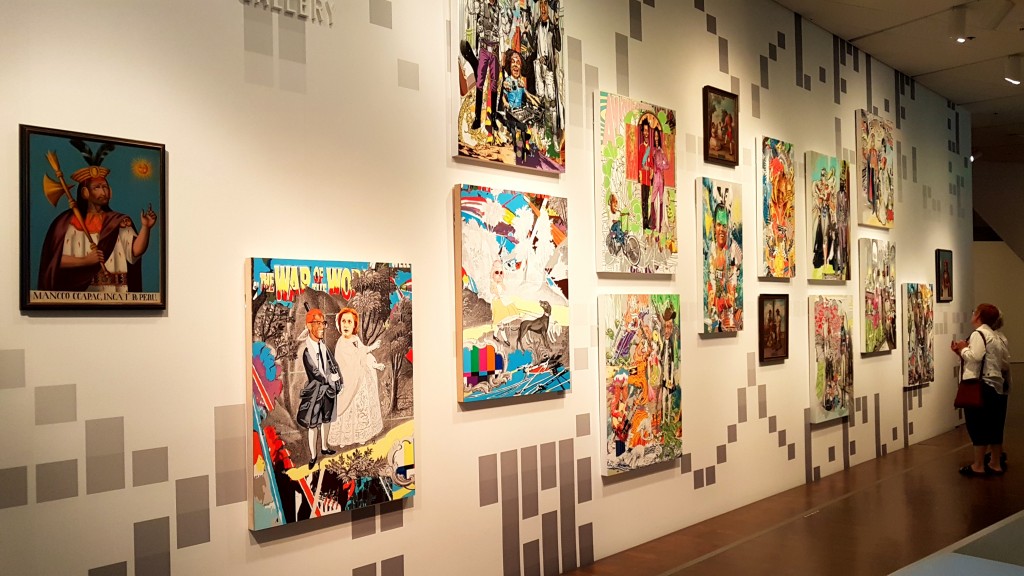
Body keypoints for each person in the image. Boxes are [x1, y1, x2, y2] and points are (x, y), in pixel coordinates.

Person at [37, 144, 158, 293]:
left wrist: (146, 227)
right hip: (79, 294)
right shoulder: (65, 223)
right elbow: (54, 261)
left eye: (105, 187)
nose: (103, 192)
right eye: (97, 187)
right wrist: (84, 261)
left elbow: (135, 251)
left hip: (116, 293)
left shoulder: (118, 221)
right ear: (85, 192)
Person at [951, 303, 1011, 476]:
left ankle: (978, 465)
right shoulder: (995, 336)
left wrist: (962, 349)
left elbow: (975, 356)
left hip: (981, 386)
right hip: (995, 385)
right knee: (995, 427)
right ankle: (995, 463)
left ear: (979, 316)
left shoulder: (979, 333)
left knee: (977, 426)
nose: (972, 314)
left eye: (974, 312)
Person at [328, 308, 385, 448]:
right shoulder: (341, 343)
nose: (346, 325)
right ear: (339, 324)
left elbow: (362, 351)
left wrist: (373, 360)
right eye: (343, 321)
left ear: (354, 325)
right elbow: (349, 362)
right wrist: (367, 350)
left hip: (360, 378)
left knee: (361, 407)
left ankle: (362, 435)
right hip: (348, 381)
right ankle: (344, 438)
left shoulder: (355, 339)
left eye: (349, 322)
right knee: (347, 409)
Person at [297, 308, 343, 470]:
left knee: (326, 420)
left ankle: (324, 447)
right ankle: (313, 456)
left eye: (323, 323)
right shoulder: (307, 351)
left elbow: (333, 364)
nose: (323, 327)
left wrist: (338, 379)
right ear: (309, 326)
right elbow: (315, 373)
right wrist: (330, 379)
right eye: (318, 323)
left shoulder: (323, 347)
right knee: (313, 424)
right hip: (316, 392)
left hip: (328, 391)